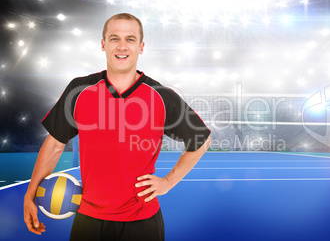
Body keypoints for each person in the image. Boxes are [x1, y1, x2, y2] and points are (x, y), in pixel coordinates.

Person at [23, 13, 211, 240]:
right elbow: (54, 144)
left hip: (143, 222)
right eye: (115, 38)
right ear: (103, 44)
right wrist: (30, 194)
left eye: (130, 39)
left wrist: (168, 182)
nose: (122, 46)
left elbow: (201, 140)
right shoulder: (79, 90)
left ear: (141, 47)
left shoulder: (162, 96)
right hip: (88, 220)